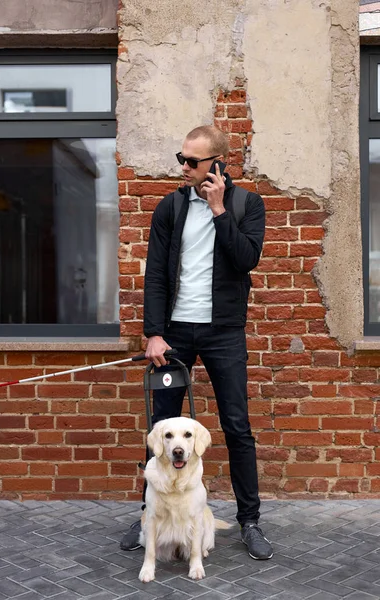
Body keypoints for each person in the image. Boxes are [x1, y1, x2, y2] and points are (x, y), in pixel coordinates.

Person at [120, 125, 273, 560]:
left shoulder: (247, 205)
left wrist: (220, 209)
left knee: (237, 426)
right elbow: (155, 274)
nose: (184, 168)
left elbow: (247, 260)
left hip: (224, 331)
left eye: (193, 162)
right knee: (162, 427)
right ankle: (150, 511)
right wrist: (153, 332)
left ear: (218, 163)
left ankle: (250, 521)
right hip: (176, 333)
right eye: (181, 159)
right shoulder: (169, 208)